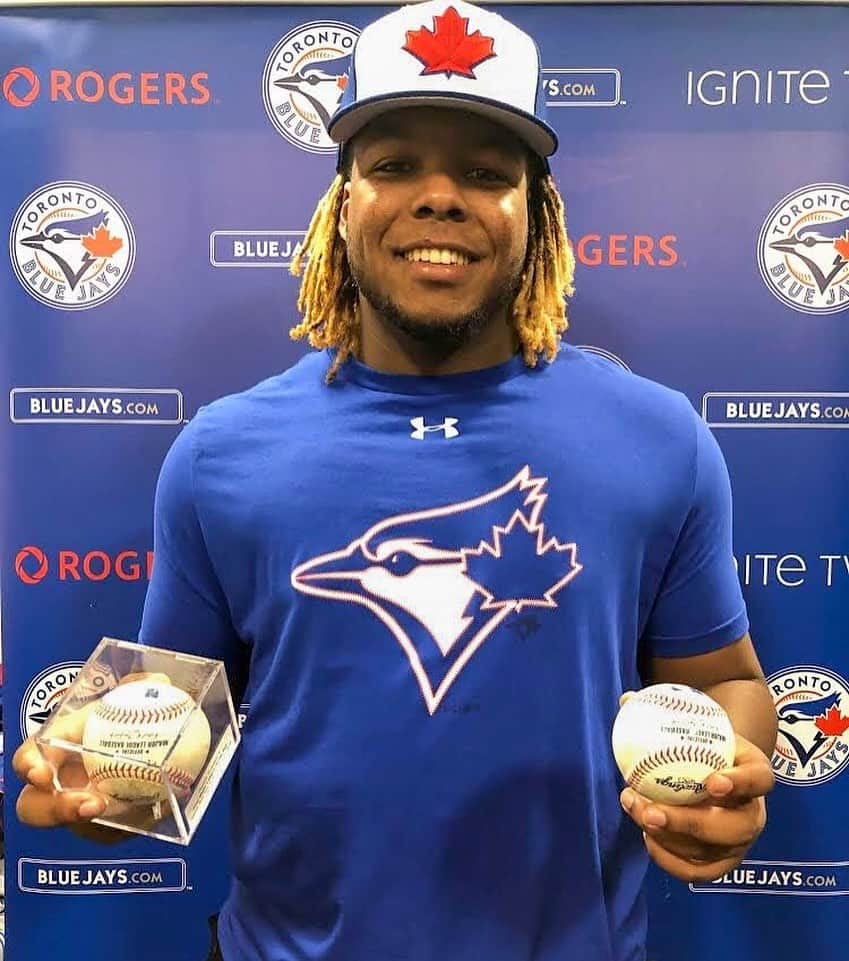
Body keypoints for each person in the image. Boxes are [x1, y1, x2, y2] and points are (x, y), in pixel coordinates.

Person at [14, 2, 778, 960]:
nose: (439, 196)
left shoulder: (658, 438)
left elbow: (725, 682)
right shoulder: (222, 453)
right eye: (393, 165)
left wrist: (735, 785)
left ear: (536, 216)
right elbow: (162, 732)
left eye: (486, 173)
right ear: (343, 206)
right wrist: (97, 788)